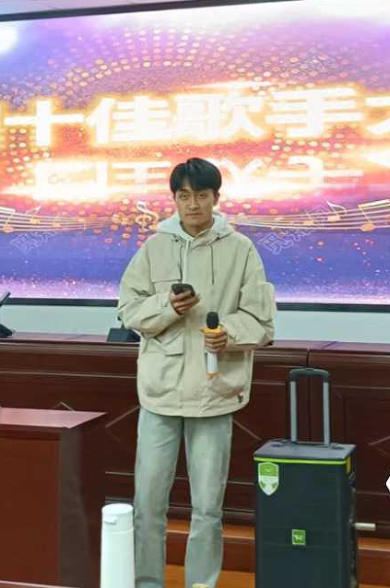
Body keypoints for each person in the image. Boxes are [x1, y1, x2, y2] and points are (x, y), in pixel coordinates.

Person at [117, 157, 276, 588]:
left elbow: (261, 322)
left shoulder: (240, 249)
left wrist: (227, 334)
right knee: (148, 503)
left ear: (215, 198)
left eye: (201, 195)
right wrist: (167, 306)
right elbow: (129, 310)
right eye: (184, 196)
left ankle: (201, 584)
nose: (193, 205)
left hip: (214, 391)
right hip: (160, 392)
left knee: (207, 507)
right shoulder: (154, 248)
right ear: (174, 199)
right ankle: (147, 582)